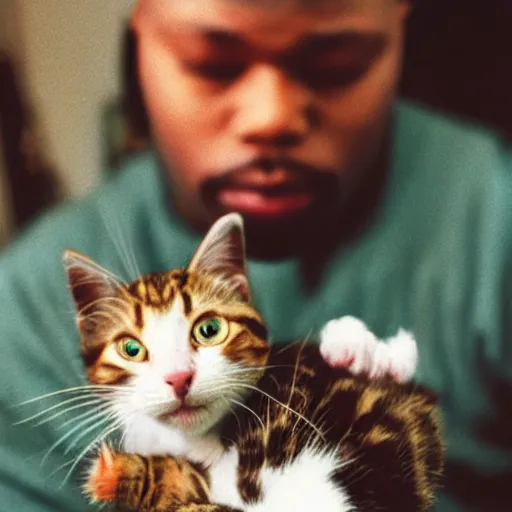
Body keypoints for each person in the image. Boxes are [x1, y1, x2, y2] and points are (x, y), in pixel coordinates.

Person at [0, 0, 510, 510]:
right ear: (139, 25)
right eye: (211, 65)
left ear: (403, 16)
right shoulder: (23, 312)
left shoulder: (493, 221)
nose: (271, 118)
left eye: (336, 65)